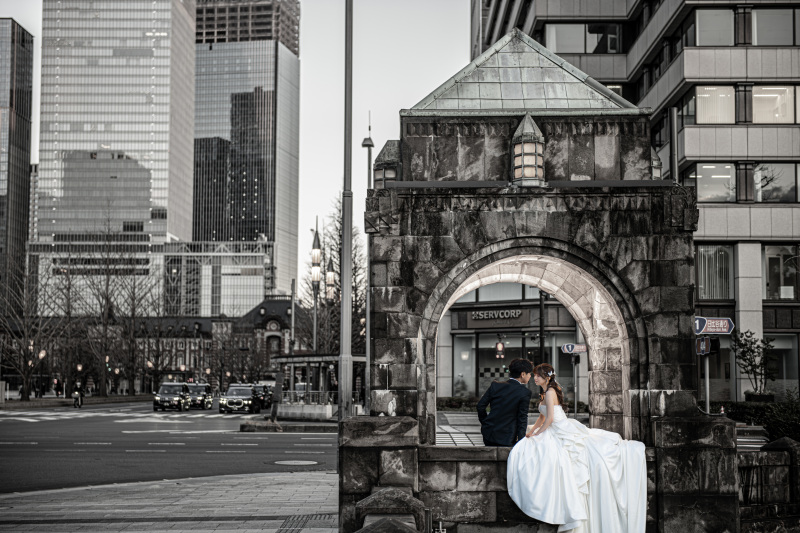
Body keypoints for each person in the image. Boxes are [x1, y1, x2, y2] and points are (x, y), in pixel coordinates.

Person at [506, 363, 646, 532]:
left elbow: (550, 419)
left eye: (538, 375)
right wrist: (533, 431)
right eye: (534, 375)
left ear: (546, 377)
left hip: (561, 429)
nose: (534, 378)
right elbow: (541, 418)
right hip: (554, 428)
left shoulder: (550, 393)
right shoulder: (544, 393)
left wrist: (537, 434)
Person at [477, 358, 533, 447]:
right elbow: (522, 418)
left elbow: (480, 406)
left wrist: (485, 423)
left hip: (489, 434)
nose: (530, 376)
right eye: (529, 373)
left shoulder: (496, 385)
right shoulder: (524, 392)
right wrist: (522, 441)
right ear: (523, 374)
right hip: (508, 437)